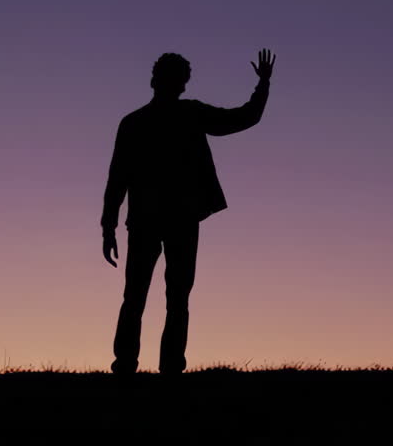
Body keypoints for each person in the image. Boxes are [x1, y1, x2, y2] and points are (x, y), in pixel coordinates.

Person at [101, 48, 275, 375]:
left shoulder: (136, 122)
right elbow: (243, 117)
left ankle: (131, 367)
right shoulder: (181, 115)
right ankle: (163, 368)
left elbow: (117, 179)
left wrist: (108, 226)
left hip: (153, 219)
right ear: (179, 83)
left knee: (142, 297)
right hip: (173, 218)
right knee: (170, 298)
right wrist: (263, 85)